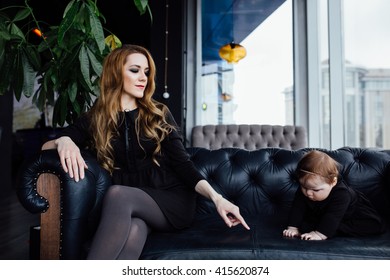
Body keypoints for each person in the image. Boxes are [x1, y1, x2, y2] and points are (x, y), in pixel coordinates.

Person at [42, 44, 250, 259]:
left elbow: (184, 165)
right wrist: (64, 140)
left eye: (146, 72)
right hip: (129, 206)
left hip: (171, 199)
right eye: (135, 70)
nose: (144, 77)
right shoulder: (97, 117)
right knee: (135, 229)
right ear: (115, 73)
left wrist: (218, 198)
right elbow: (45, 148)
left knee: (118, 194)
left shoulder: (158, 113)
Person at [283, 150, 386, 240]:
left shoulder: (342, 194)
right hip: (329, 214)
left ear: (333, 182)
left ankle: (327, 228)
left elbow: (333, 216)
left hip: (355, 215)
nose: (308, 193)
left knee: (373, 226)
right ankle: (326, 226)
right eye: (304, 187)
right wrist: (293, 227)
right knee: (307, 224)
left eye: (316, 190)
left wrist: (319, 234)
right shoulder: (306, 188)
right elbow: (297, 207)